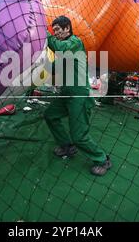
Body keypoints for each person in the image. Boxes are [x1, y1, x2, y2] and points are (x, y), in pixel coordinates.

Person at [43, 15, 112, 176]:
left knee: (79, 135)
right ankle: (67, 146)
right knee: (50, 115)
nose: (55, 34)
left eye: (58, 30)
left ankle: (102, 159)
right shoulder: (64, 52)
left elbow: (58, 46)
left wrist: (43, 32)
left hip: (78, 96)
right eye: (53, 31)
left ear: (67, 28)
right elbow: (52, 69)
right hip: (66, 94)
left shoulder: (74, 42)